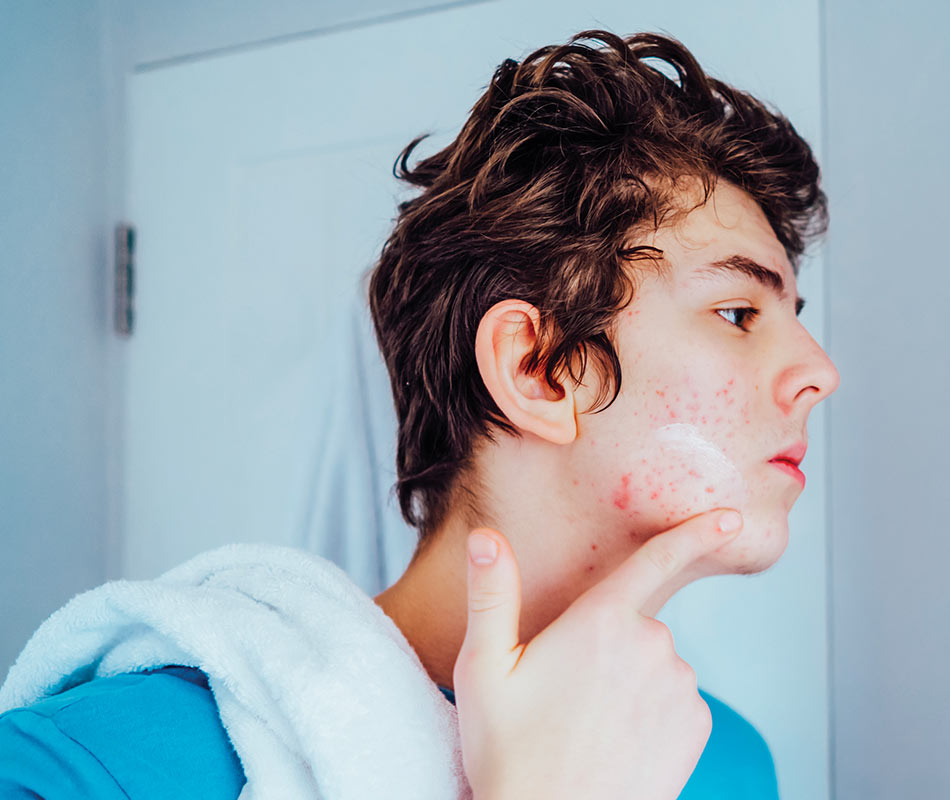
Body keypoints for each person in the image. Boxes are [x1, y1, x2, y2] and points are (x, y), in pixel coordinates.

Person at [0, 29, 837, 799]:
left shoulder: (723, 760)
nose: (819, 372)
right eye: (738, 313)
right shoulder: (81, 767)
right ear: (540, 369)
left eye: (797, 316)